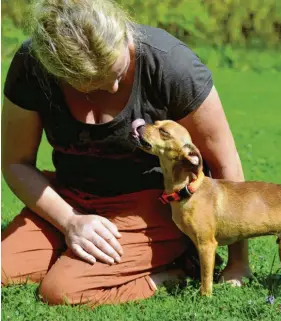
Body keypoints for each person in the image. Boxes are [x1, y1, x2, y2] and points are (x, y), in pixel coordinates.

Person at [1, 0, 251, 306]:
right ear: (58, 71)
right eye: (95, 84)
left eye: (118, 71)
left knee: (60, 290)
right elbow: (15, 162)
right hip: (71, 196)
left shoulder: (172, 65)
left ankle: (178, 268)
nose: (116, 86)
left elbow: (224, 163)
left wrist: (238, 263)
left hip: (154, 204)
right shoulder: (31, 64)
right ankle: (80, 250)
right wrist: (69, 222)